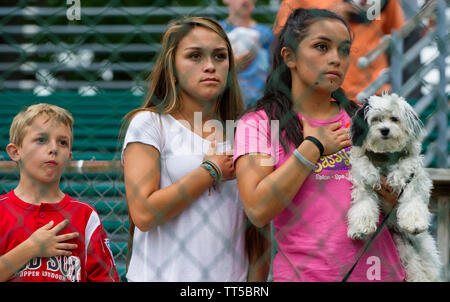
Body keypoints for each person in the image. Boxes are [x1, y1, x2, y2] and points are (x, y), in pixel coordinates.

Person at [233, 8, 405, 282]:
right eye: (321, 47)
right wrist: (312, 147)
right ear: (289, 56)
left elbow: (402, 196)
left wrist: (394, 197)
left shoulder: (366, 118)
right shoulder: (260, 124)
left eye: (344, 50)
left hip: (383, 275)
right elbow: (258, 209)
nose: (336, 59)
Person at [121, 16, 269, 282]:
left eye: (220, 56)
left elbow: (259, 231)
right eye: (195, 56)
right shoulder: (150, 123)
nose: (210, 66)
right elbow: (143, 214)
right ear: (172, 67)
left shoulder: (245, 132)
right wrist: (209, 170)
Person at [0, 103, 119, 282]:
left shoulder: (85, 215)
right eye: (41, 139)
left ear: (69, 157)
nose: (53, 148)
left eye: (62, 142)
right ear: (15, 152)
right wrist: (31, 248)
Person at [273, 0, 405, 100]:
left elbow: (397, 34)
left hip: (372, 93)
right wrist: (325, 20)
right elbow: (284, 36)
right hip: (316, 96)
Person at [219, 0, 274, 108]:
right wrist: (232, 67)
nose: (244, 1)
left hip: (259, 102)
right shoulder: (217, 31)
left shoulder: (266, 34)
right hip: (226, 101)